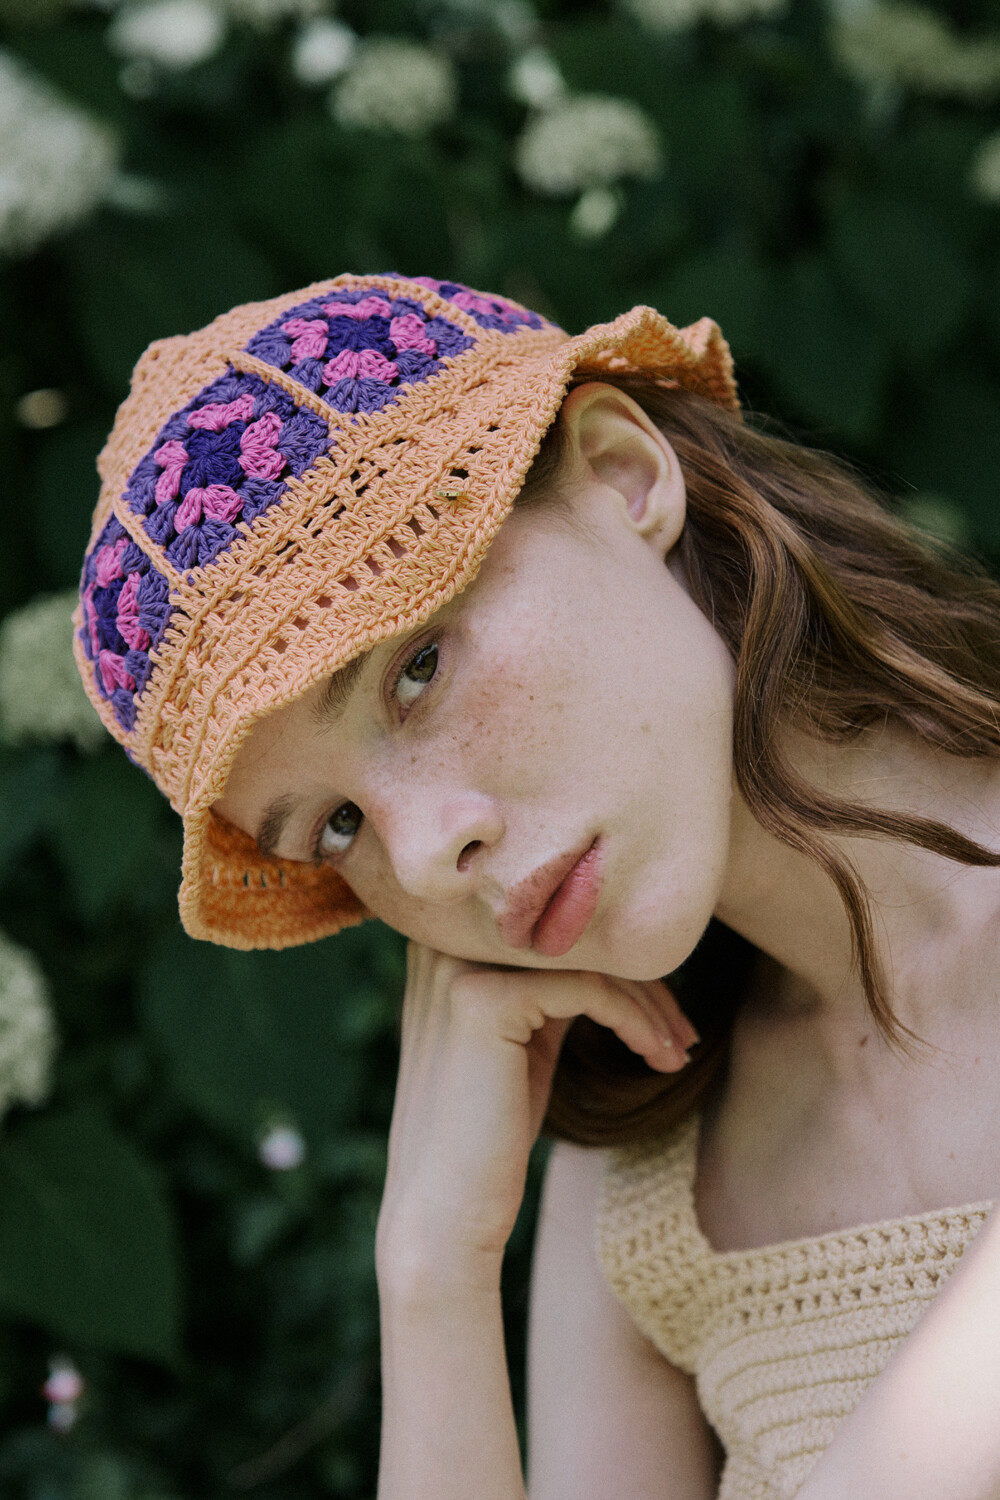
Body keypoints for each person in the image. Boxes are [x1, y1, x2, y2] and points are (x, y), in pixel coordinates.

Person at [74, 273, 1000, 1499]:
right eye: (337, 826)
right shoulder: (643, 1191)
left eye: (416, 669)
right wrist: (432, 1269)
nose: (420, 858)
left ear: (624, 475)